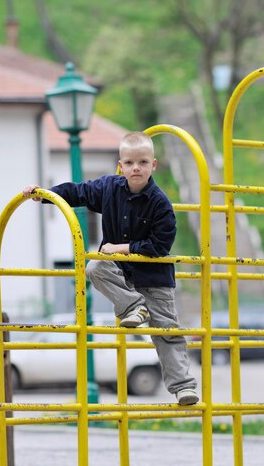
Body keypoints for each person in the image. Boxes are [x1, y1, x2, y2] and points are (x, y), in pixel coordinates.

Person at [23, 131, 198, 405]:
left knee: (167, 332)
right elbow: (78, 192)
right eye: (129, 163)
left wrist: (119, 248)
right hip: (122, 276)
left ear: (154, 165)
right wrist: (45, 194)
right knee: (94, 267)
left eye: (142, 162)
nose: (135, 168)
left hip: (155, 279)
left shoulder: (160, 203)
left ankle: (183, 388)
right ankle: (132, 307)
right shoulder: (109, 188)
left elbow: (160, 245)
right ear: (121, 166)